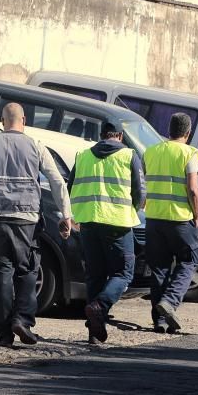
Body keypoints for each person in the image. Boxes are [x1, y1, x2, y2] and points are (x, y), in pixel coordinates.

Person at [0, 102, 72, 347]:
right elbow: (56, 181)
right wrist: (66, 214)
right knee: (27, 270)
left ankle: (2, 334)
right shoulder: (36, 146)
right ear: (23, 119)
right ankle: (22, 320)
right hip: (26, 220)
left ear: (2, 121)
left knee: (1, 273)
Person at [68, 120, 145, 344]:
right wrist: (134, 208)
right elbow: (140, 193)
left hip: (88, 223)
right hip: (118, 224)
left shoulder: (82, 156)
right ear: (120, 136)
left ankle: (94, 333)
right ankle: (100, 306)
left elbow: (70, 186)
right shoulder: (129, 156)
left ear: (101, 135)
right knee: (124, 274)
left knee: (95, 275)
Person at [143, 113, 198, 334]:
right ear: (188, 133)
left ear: (169, 130)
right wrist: (196, 214)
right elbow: (193, 189)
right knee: (191, 259)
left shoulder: (151, 151)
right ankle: (170, 301)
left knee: (159, 268)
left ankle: (160, 321)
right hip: (180, 218)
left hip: (154, 218)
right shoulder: (189, 153)